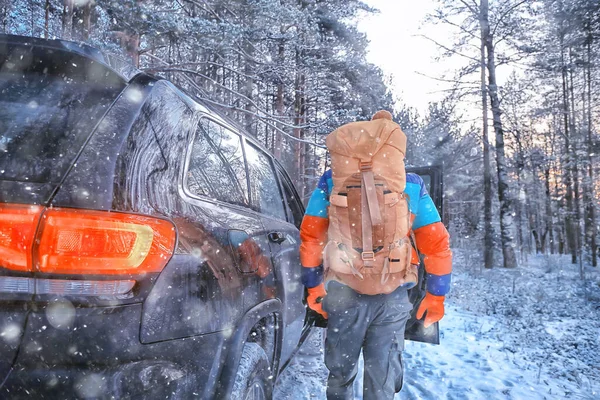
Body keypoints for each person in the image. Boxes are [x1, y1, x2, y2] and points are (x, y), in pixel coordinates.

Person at [300, 110, 452, 399]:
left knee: (340, 376)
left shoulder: (331, 180)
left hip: (343, 291)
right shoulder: (412, 184)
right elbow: (435, 244)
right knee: (382, 381)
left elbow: (311, 236)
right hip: (392, 293)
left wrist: (313, 285)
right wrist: (436, 294)